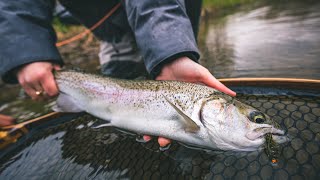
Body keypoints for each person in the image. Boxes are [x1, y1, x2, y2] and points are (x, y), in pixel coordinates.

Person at [0, 0, 236, 147]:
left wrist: (172, 52)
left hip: (172, 16)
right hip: (112, 30)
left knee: (177, 62)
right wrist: (27, 50)